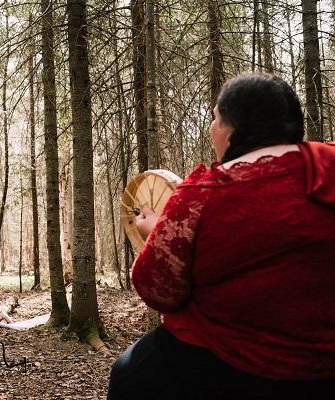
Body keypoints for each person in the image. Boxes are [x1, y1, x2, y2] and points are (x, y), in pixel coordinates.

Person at [107, 72, 335, 399]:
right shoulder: (326, 167)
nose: (212, 127)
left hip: (234, 363)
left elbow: (156, 290)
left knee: (128, 374)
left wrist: (158, 231)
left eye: (215, 117)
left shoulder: (200, 194)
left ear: (233, 128)